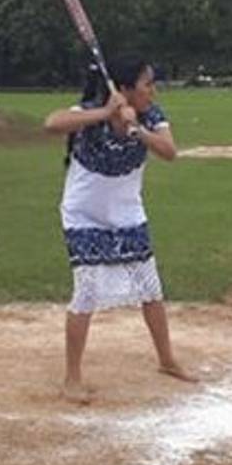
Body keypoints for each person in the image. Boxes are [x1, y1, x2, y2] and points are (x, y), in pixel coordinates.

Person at [43, 58, 196, 405]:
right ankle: (72, 378)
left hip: (127, 213)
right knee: (86, 291)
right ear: (124, 89)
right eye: (147, 85)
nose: (152, 91)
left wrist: (137, 129)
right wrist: (104, 113)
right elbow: (52, 123)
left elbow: (170, 152)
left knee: (150, 288)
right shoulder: (88, 112)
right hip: (83, 215)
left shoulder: (151, 116)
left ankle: (167, 359)